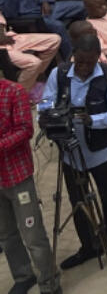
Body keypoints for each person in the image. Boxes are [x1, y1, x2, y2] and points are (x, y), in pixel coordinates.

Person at [39, 34, 107, 269]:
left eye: (90, 62)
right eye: (80, 62)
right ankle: (88, 246)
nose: (85, 67)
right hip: (70, 152)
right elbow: (45, 101)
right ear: (73, 56)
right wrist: (48, 113)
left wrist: (92, 120)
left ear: (98, 57)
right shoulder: (59, 73)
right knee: (78, 201)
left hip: (102, 152)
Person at [0, 49, 61, 294]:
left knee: (33, 234)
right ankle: (24, 275)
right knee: (6, 235)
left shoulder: (14, 92)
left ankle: (49, 282)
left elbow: (26, 129)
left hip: (17, 174)